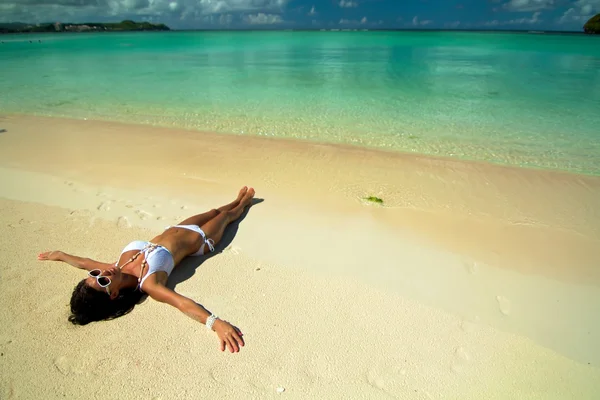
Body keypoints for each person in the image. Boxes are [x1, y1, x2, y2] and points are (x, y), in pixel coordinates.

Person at [37, 186, 256, 353]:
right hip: (201, 240)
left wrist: (60, 255)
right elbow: (182, 303)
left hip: (178, 227)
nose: (102, 274)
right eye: (102, 282)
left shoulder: (114, 267)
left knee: (214, 210)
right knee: (227, 216)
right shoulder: (149, 283)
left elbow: (84, 262)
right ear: (113, 294)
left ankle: (238, 199)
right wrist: (216, 323)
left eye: (95, 275)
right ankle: (246, 202)